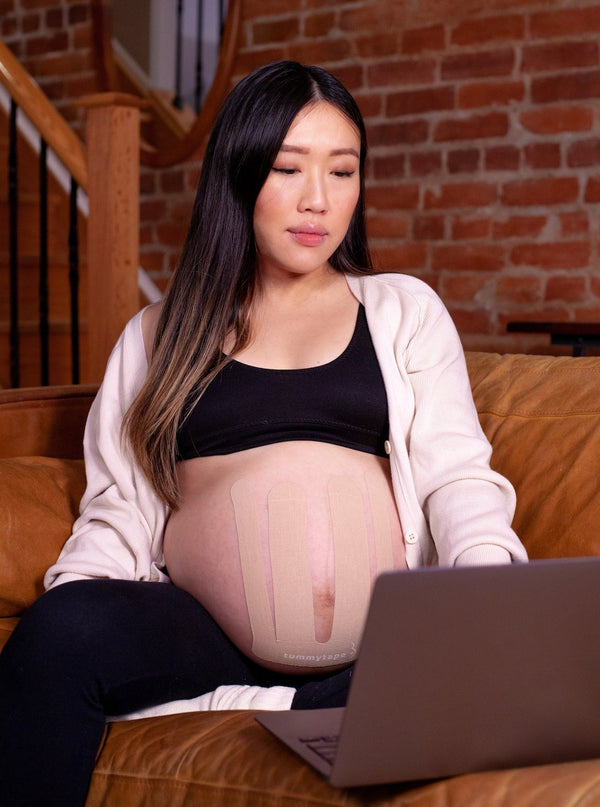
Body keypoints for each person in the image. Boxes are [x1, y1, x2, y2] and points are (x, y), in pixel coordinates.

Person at [0, 60, 527, 805]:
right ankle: (331, 711)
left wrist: (483, 590)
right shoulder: (159, 334)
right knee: (59, 636)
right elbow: (119, 503)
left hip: (380, 636)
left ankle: (344, 707)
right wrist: (84, 609)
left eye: (342, 172)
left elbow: (456, 476)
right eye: (288, 168)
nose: (319, 200)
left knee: (504, 666)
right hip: (204, 631)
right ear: (240, 172)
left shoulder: (402, 311)